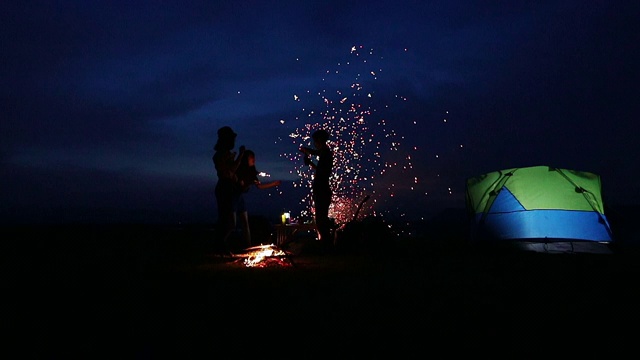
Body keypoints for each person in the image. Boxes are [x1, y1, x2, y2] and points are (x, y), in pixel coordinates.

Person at [236, 149, 282, 247]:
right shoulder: (239, 171)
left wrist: (274, 184)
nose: (254, 159)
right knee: (232, 222)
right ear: (246, 159)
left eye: (254, 157)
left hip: (239, 196)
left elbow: (260, 186)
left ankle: (247, 246)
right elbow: (240, 186)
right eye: (251, 157)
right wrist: (245, 183)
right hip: (233, 196)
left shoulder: (252, 172)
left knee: (245, 222)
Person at [299, 129, 334, 252]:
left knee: (321, 219)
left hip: (322, 189)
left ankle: (327, 245)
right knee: (320, 218)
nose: (314, 143)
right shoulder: (325, 154)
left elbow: (318, 153)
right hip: (321, 189)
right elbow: (320, 170)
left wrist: (306, 150)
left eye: (315, 141)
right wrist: (310, 163)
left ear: (320, 140)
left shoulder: (326, 152)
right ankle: (326, 243)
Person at [212, 126, 245, 255]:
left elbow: (231, 172)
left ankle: (220, 246)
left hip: (228, 187)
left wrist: (237, 180)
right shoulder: (220, 155)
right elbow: (230, 170)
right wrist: (241, 155)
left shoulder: (224, 154)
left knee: (227, 219)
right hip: (225, 188)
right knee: (228, 220)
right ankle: (220, 245)